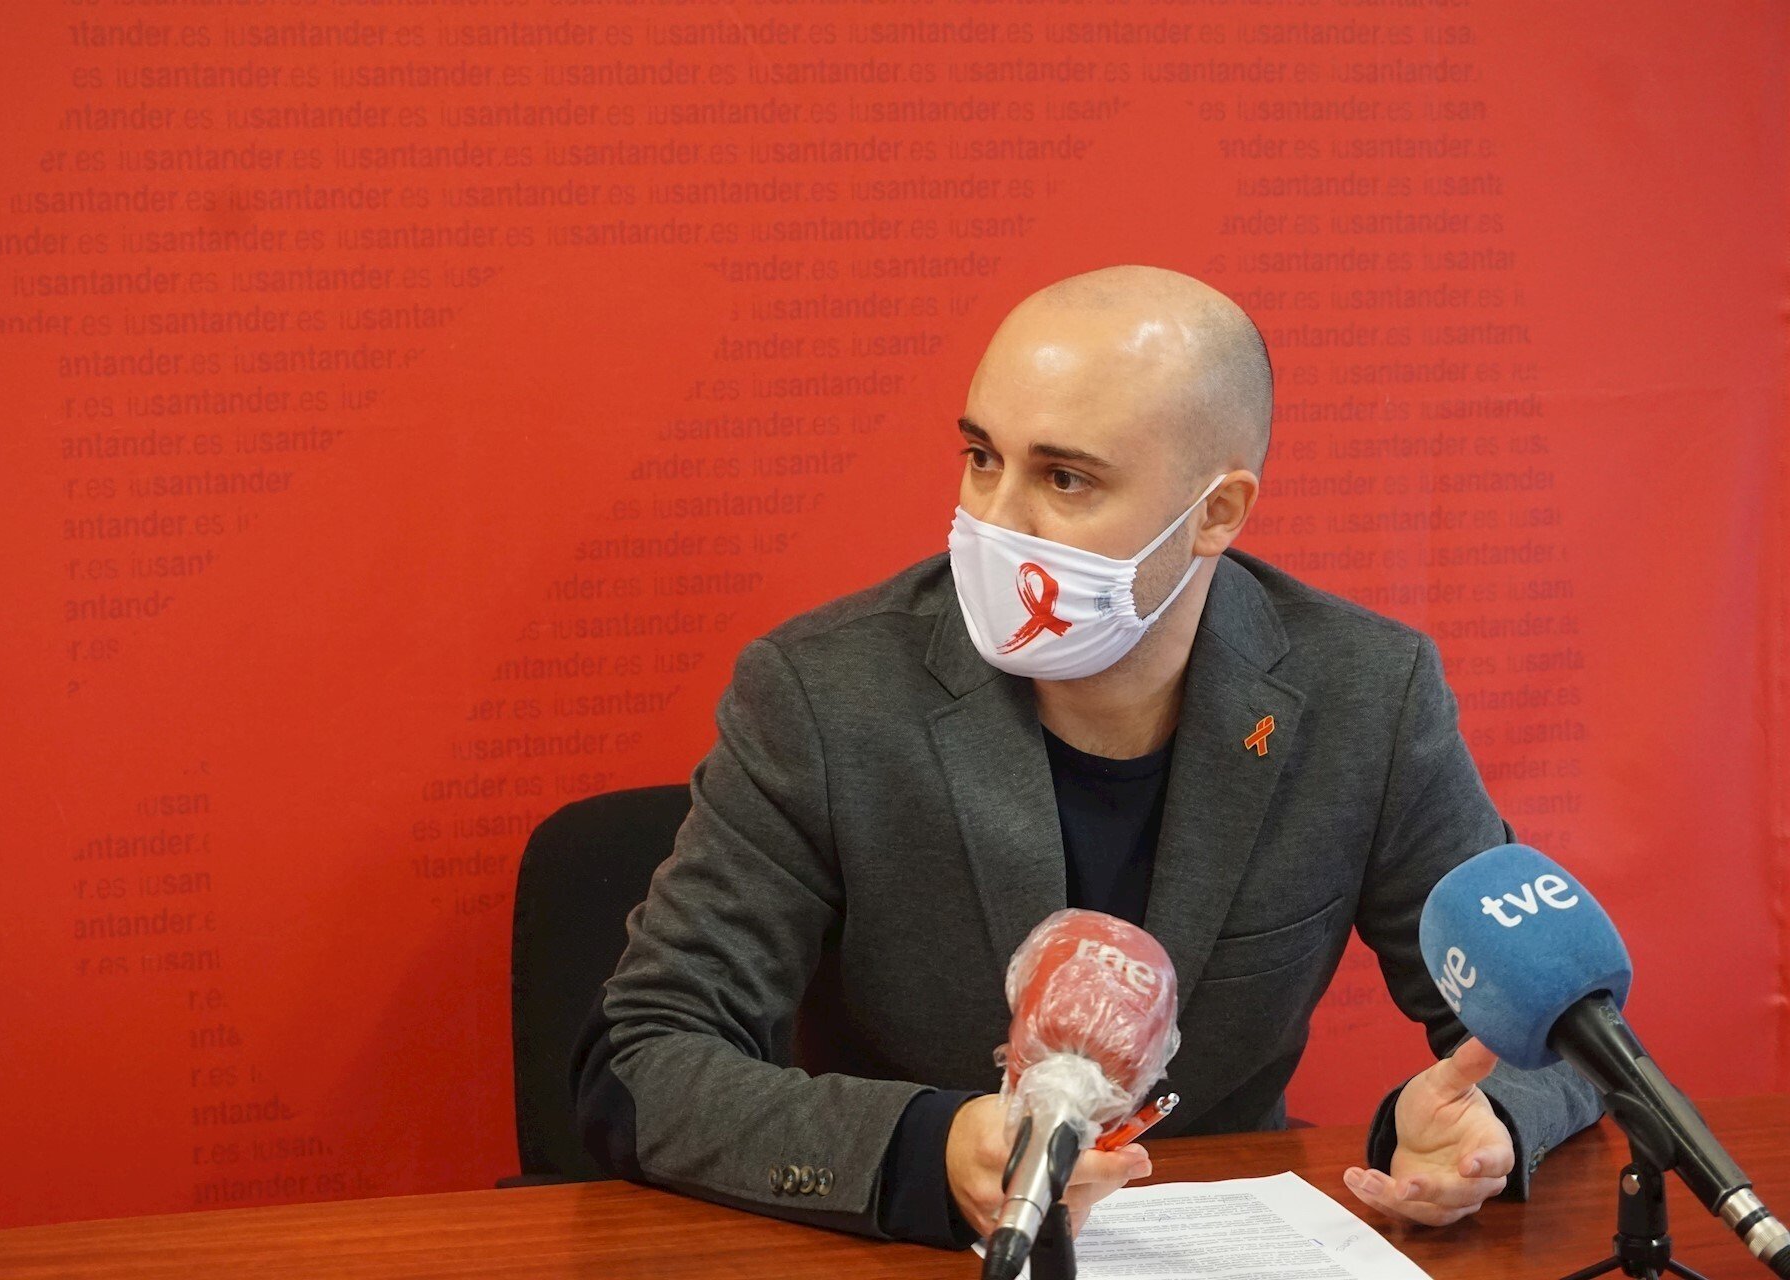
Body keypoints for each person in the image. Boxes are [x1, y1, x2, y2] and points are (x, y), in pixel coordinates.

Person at [570, 265, 1602, 1248]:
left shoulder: (1367, 697)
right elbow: (640, 1059)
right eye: (982, 457)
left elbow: (1565, 1027)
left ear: (1216, 513)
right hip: (922, 1254)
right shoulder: (823, 696)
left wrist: (1489, 1125)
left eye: (1064, 477)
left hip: (1221, 1242)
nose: (993, 519)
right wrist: (930, 1150)